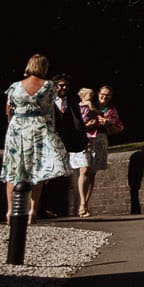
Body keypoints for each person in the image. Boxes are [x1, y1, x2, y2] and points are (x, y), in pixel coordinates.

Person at [2, 54, 70, 225]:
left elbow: (8, 111)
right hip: (39, 127)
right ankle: (32, 211)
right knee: (38, 170)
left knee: (13, 169)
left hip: (17, 128)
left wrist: (13, 128)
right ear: (44, 67)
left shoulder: (15, 87)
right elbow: (51, 112)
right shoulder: (48, 86)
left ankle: (11, 211)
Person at [79, 85, 123, 217]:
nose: (104, 96)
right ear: (98, 94)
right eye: (102, 94)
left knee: (92, 173)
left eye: (108, 95)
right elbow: (77, 121)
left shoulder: (111, 110)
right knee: (84, 169)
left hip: (100, 139)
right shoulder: (87, 104)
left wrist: (107, 123)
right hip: (86, 139)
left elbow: (119, 128)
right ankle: (81, 203)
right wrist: (87, 125)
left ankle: (86, 204)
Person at [47, 76, 87, 218]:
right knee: (52, 174)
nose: (64, 88)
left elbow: (78, 122)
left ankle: (56, 209)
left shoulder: (72, 102)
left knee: (63, 174)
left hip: (69, 142)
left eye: (66, 86)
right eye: (61, 86)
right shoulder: (48, 101)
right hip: (52, 141)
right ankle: (48, 207)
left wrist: (82, 139)